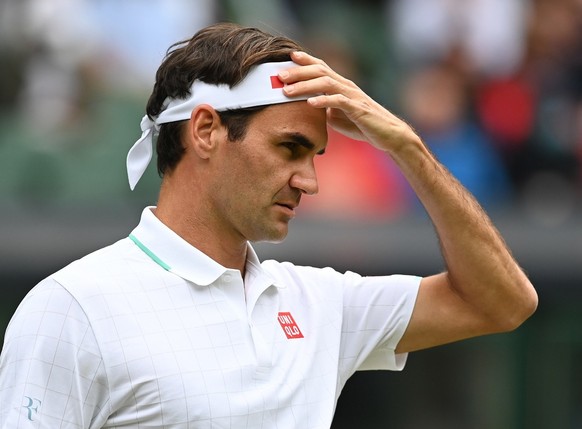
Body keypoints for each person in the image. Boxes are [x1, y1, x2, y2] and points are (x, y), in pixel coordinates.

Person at [0, 22, 538, 428]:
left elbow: (503, 302)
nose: (310, 181)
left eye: (316, 155)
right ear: (206, 130)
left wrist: (407, 147)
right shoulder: (72, 307)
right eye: (289, 147)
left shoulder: (319, 303)